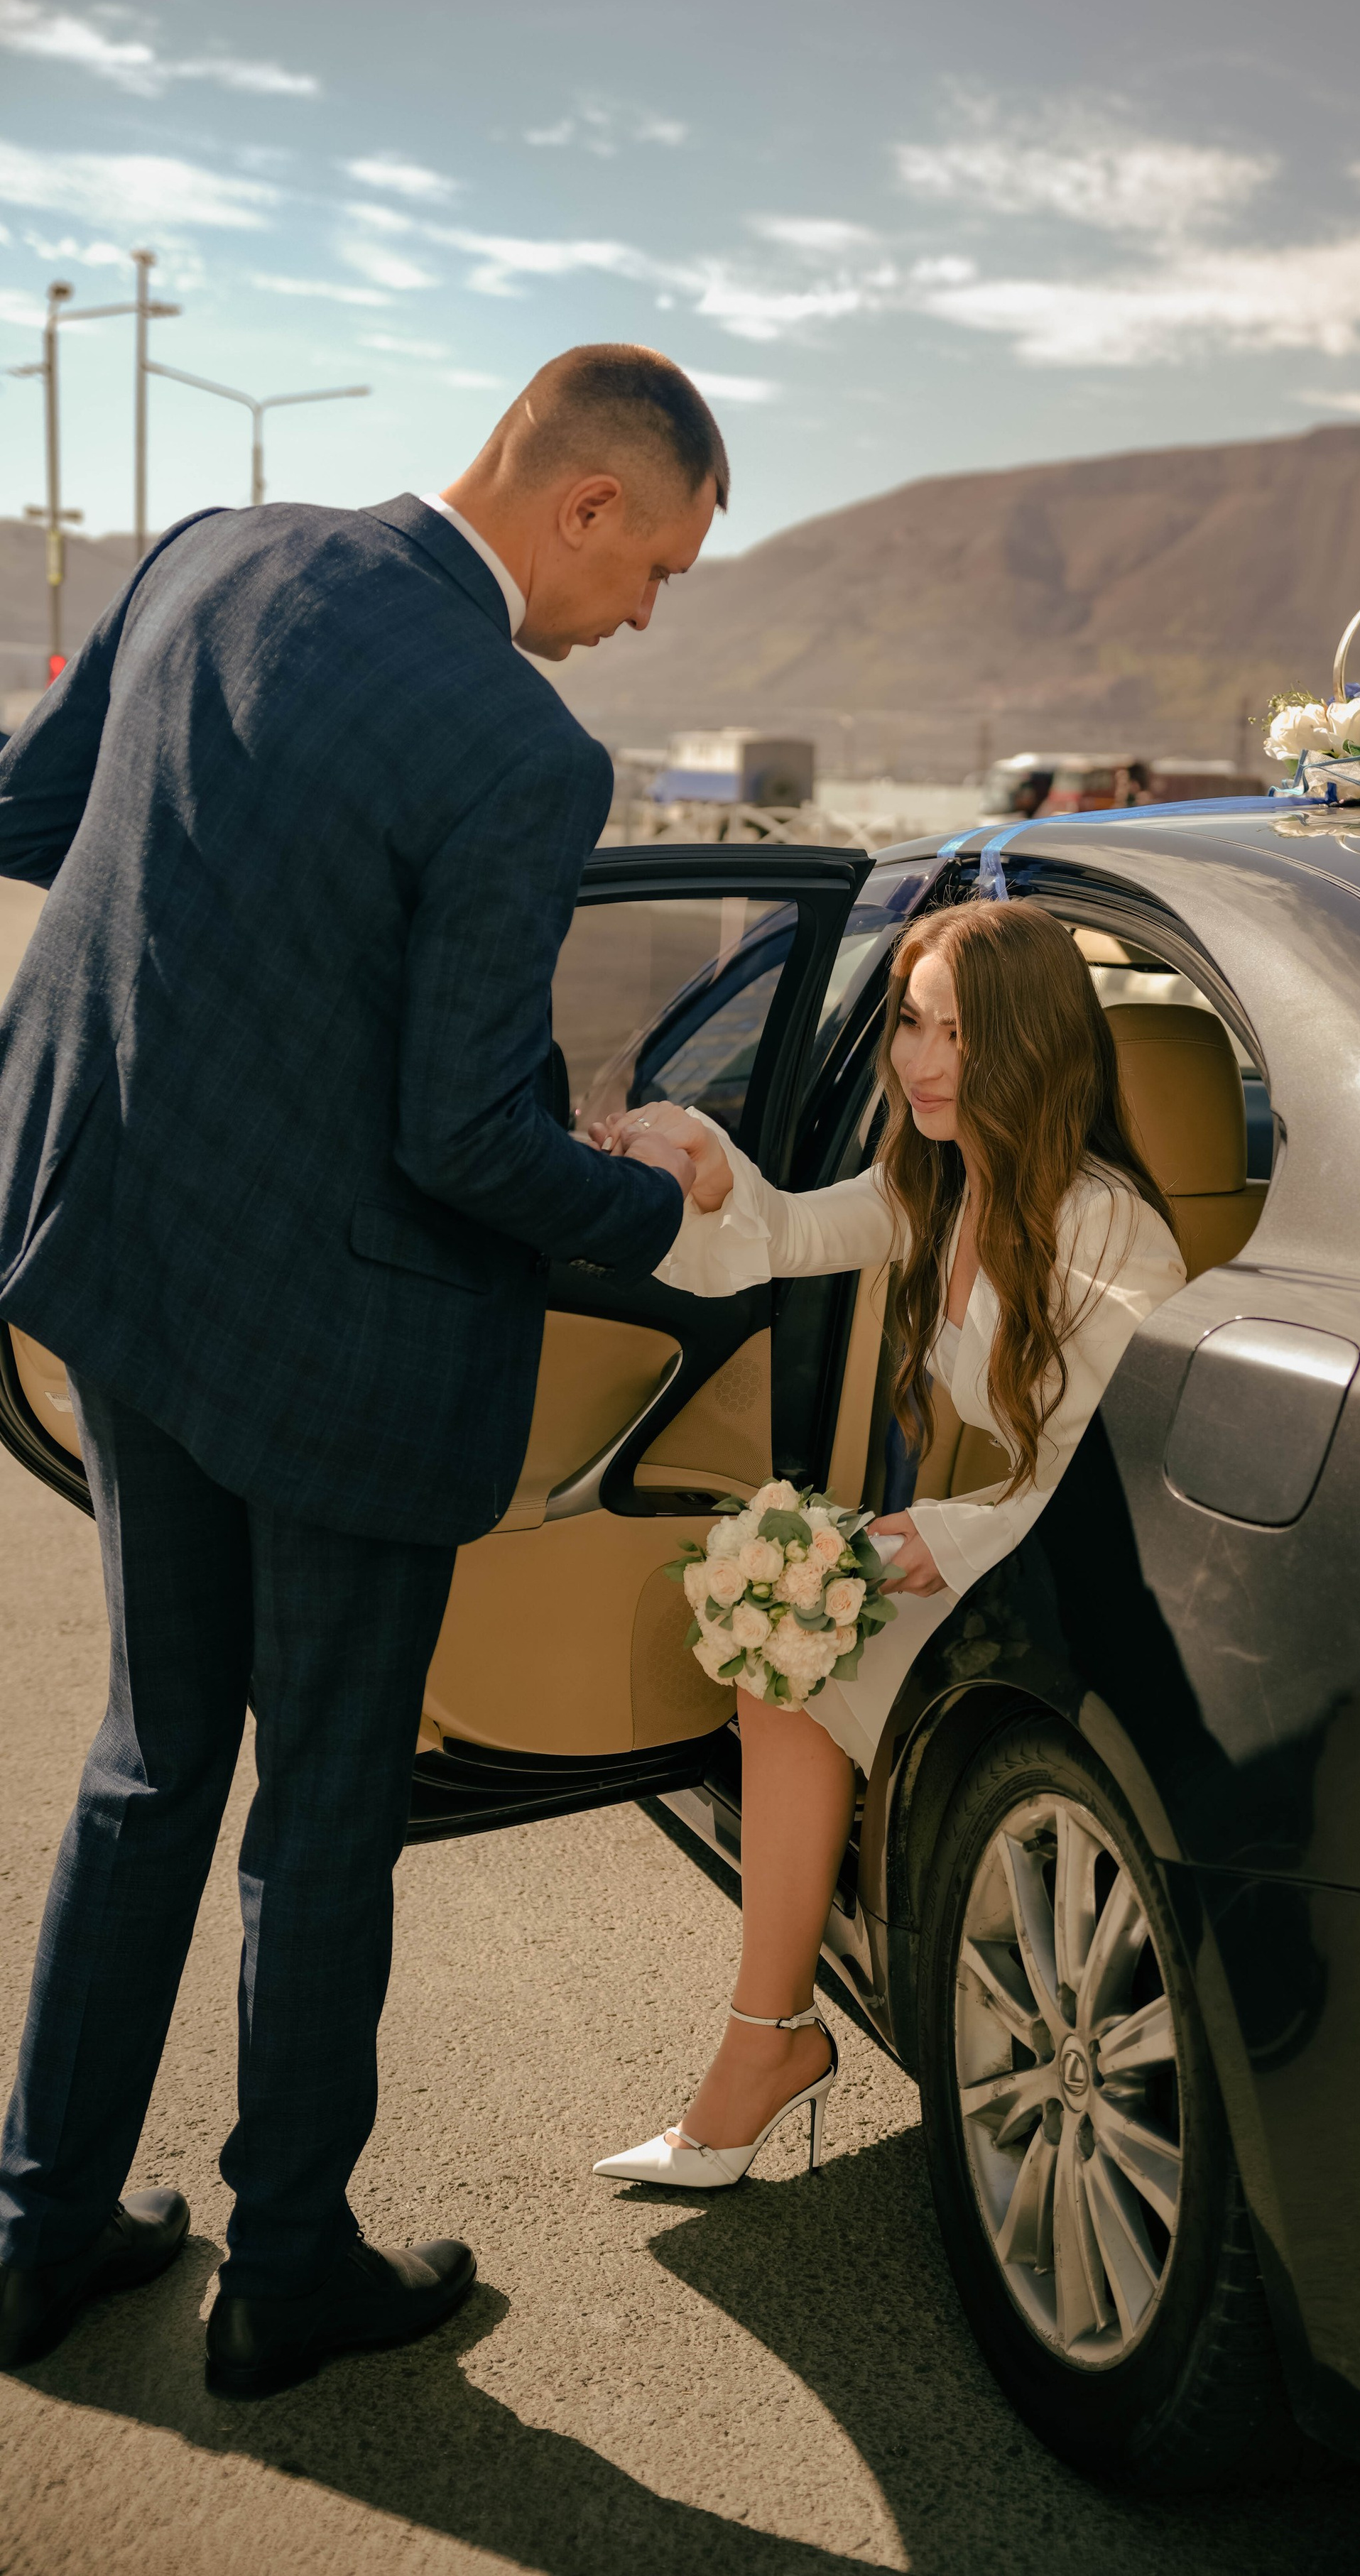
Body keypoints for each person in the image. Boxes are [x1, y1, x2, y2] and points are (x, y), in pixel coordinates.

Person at [0, 345, 720, 2394]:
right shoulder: (520, 746)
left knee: (148, 1762)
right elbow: (466, 1144)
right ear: (584, 501)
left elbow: (33, 818)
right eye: (658, 566)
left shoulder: (211, 553)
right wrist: (666, 1206)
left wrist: (232, 1026)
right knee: (322, 1809)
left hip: (119, 1256)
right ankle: (286, 2269)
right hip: (337, 1341)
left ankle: (37, 2227)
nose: (645, 614)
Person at [589, 899, 1186, 2188]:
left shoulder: (1107, 1230)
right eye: (911, 1025)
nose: (920, 1061)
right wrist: (703, 1162)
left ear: (1028, 1044)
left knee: (792, 1647)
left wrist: (944, 1532)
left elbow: (1135, 1477)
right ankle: (770, 2037)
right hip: (1009, 1563)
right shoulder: (944, 1180)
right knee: (781, 1648)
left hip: (1102, 1588)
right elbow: (793, 1236)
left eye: (959, 1035)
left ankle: (769, 2048)